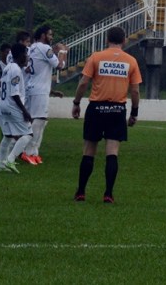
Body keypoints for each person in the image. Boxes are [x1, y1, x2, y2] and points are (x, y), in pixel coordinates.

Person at [71, 26, 142, 204]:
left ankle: (81, 192)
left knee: (88, 151)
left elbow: (83, 83)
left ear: (107, 40)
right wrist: (134, 112)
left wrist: (76, 103)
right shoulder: (131, 61)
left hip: (96, 108)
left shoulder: (96, 57)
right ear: (124, 40)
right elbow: (135, 91)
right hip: (117, 110)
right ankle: (108, 194)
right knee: (112, 153)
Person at [21, 25, 67, 165]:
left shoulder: (33, 47)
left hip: (32, 87)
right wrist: (63, 51)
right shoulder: (44, 47)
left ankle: (33, 151)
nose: (52, 38)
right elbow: (59, 65)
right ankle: (28, 152)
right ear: (43, 35)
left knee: (38, 121)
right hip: (40, 90)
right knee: (39, 120)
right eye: (50, 35)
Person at [0, 43, 33, 174]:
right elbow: (15, 93)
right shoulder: (16, 69)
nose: (28, 58)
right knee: (28, 134)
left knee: (8, 136)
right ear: (21, 56)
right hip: (12, 105)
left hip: (1, 105)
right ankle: (10, 159)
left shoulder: (8, 67)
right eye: (26, 54)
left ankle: (0, 165)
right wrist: (25, 111)